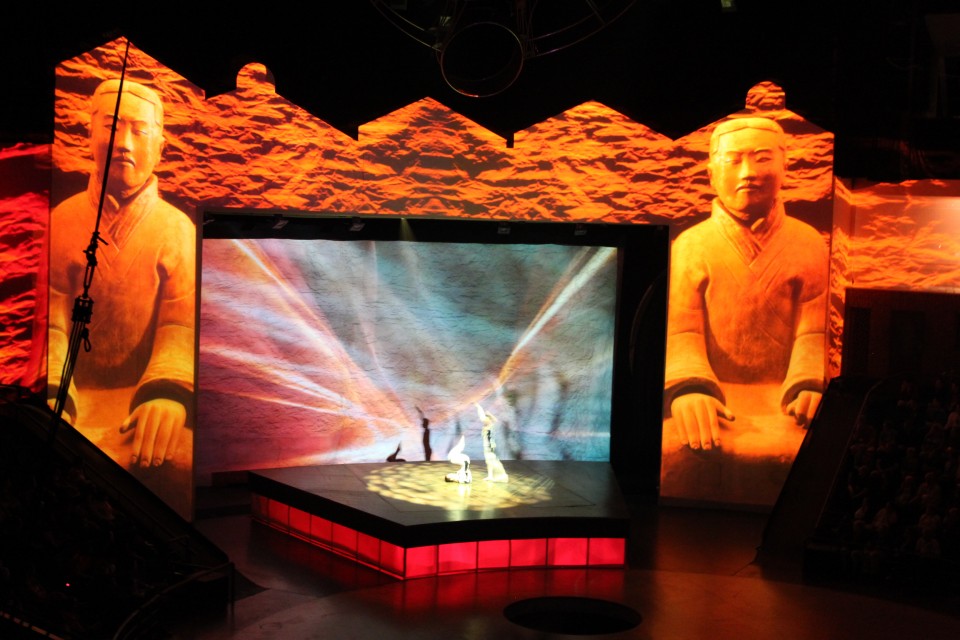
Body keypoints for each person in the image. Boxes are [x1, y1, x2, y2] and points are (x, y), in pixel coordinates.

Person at [47, 79, 194, 507]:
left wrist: (166, 394)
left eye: (140, 130)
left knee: (177, 459)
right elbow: (51, 327)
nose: (125, 143)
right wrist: (54, 393)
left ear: (160, 146)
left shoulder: (176, 228)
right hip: (73, 401)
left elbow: (180, 327)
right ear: (89, 135)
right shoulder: (62, 221)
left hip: (142, 401)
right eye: (112, 128)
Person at [663, 116, 828, 452]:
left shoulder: (809, 242)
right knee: (676, 449)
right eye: (733, 160)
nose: (748, 172)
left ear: (785, 168)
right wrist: (689, 389)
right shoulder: (690, 245)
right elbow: (682, 333)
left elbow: (813, 333)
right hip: (713, 396)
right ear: (711, 174)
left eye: (763, 158)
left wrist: (809, 384)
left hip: (785, 400)